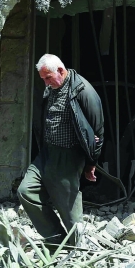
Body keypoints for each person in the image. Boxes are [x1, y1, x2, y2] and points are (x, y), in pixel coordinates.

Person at [17, 54, 104, 248]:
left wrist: (91, 164)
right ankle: (56, 239)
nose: (46, 83)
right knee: (25, 191)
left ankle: (78, 250)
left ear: (61, 71)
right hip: (47, 152)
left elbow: (98, 131)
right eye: (43, 79)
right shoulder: (52, 88)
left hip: (68, 156)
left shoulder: (83, 91)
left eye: (48, 77)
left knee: (69, 210)